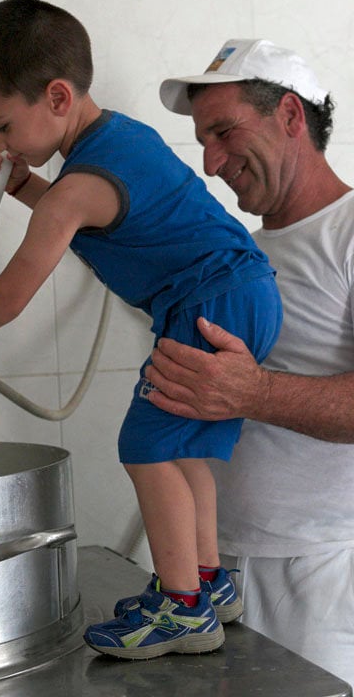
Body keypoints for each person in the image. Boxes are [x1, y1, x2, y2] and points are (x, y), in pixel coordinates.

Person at [0, 1, 282, 660]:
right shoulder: (119, 143)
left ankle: (182, 609)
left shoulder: (77, 187)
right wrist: (26, 186)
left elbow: (9, 296)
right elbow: (96, 213)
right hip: (242, 293)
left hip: (211, 301)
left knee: (145, 446)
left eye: (1, 125)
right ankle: (204, 583)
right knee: (182, 448)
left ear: (57, 97)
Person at [146, 38, 354, 687]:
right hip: (218, 571)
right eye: (202, 141)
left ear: (290, 116)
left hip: (320, 575)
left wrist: (253, 393)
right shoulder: (240, 254)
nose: (211, 163)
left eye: (223, 132)